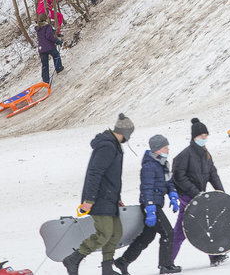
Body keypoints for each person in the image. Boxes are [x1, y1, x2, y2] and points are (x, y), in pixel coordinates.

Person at [62, 113, 136, 275]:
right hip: (98, 198)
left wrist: (117, 198)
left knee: (116, 233)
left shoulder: (114, 146)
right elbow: (95, 173)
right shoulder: (107, 146)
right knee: (104, 234)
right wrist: (89, 200)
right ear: (125, 133)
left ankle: (107, 269)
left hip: (110, 198)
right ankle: (73, 259)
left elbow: (112, 176)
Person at [113, 135, 181, 275]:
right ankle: (165, 266)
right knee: (168, 233)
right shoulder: (149, 166)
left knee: (147, 236)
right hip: (151, 205)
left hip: (156, 204)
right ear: (157, 149)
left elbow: (169, 183)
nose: (168, 149)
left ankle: (123, 261)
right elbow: (146, 187)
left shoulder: (163, 164)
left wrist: (173, 195)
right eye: (165, 147)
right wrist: (149, 207)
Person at [171, 118, 227, 267]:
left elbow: (212, 173)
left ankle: (214, 256)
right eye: (202, 136)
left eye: (206, 135)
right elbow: (178, 176)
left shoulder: (205, 154)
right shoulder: (185, 155)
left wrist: (220, 191)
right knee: (195, 226)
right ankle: (167, 261)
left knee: (194, 227)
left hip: (198, 196)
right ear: (194, 137)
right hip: (187, 196)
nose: (204, 138)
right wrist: (194, 192)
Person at [36, 14, 64, 85]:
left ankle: (45, 80)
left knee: (45, 64)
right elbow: (49, 36)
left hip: (41, 48)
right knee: (56, 55)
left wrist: (55, 33)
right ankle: (59, 68)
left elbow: (45, 35)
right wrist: (57, 41)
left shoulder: (38, 27)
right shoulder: (47, 26)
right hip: (49, 47)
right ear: (46, 19)